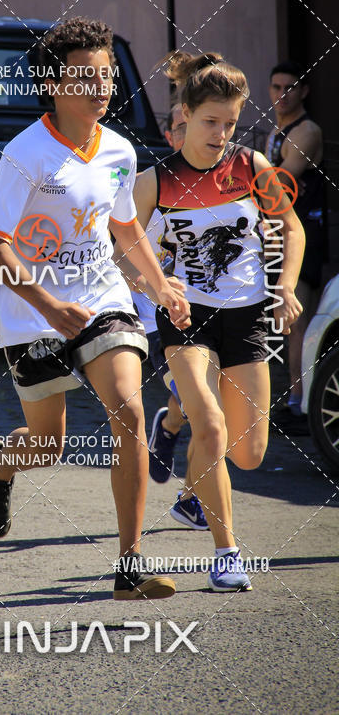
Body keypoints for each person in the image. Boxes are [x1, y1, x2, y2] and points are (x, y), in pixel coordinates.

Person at [0, 17, 190, 600]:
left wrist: (161, 286)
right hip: (31, 312)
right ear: (52, 83)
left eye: (107, 75)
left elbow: (125, 227)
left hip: (102, 297)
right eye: (86, 76)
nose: (101, 86)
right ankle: (0, 463)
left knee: (130, 411)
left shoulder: (118, 149)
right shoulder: (27, 154)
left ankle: (129, 566)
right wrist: (46, 303)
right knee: (48, 445)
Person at [131, 51, 304, 592]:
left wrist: (285, 288)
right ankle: (227, 554)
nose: (221, 134)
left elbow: (291, 227)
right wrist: (158, 287)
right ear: (184, 114)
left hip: (248, 315)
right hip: (188, 318)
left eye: (230, 123)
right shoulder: (156, 181)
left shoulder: (251, 166)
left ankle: (191, 488)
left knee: (248, 454)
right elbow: (124, 250)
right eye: (211, 121)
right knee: (209, 423)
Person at [119, 103, 208, 531]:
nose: (188, 134)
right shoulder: (145, 188)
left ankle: (169, 429)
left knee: (203, 408)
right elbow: (115, 251)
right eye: (180, 127)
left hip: (213, 317)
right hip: (159, 323)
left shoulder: (222, 189)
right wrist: (147, 282)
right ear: (170, 136)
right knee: (204, 409)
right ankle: (191, 500)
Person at [266, 62, 325, 430]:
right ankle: (295, 399)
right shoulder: (277, 129)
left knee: (299, 319)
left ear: (304, 91)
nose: (282, 94)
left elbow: (279, 180)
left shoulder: (307, 131)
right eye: (276, 87)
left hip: (304, 234)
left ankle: (302, 405)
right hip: (281, 233)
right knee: (287, 321)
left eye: (290, 87)